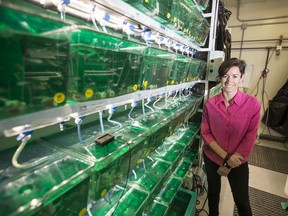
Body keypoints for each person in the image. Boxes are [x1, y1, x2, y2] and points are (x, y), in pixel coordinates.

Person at [201, 58, 261, 216]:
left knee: (241, 200)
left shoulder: (253, 104)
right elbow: (206, 133)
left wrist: (228, 164)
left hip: (237, 161)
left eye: (235, 76)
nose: (229, 81)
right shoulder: (210, 104)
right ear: (220, 77)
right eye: (225, 76)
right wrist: (225, 157)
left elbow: (249, 137)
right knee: (213, 194)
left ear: (241, 78)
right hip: (212, 158)